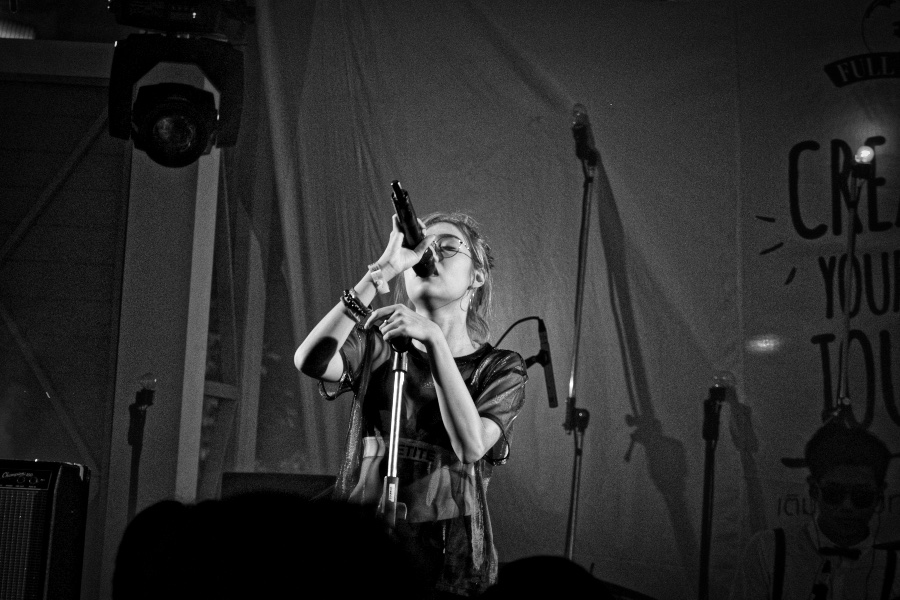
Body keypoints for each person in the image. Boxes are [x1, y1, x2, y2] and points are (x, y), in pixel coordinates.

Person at [294, 211, 527, 598]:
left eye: (447, 247)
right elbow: (309, 360)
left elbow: (470, 445)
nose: (429, 255)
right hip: (363, 550)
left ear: (477, 276)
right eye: (422, 247)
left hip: (446, 565)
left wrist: (434, 340)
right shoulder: (380, 346)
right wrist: (381, 273)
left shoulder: (500, 368)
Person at [729, 422, 898, 600]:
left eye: (861, 495)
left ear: (879, 495)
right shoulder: (768, 551)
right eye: (834, 493)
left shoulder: (894, 568)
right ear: (813, 490)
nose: (847, 506)